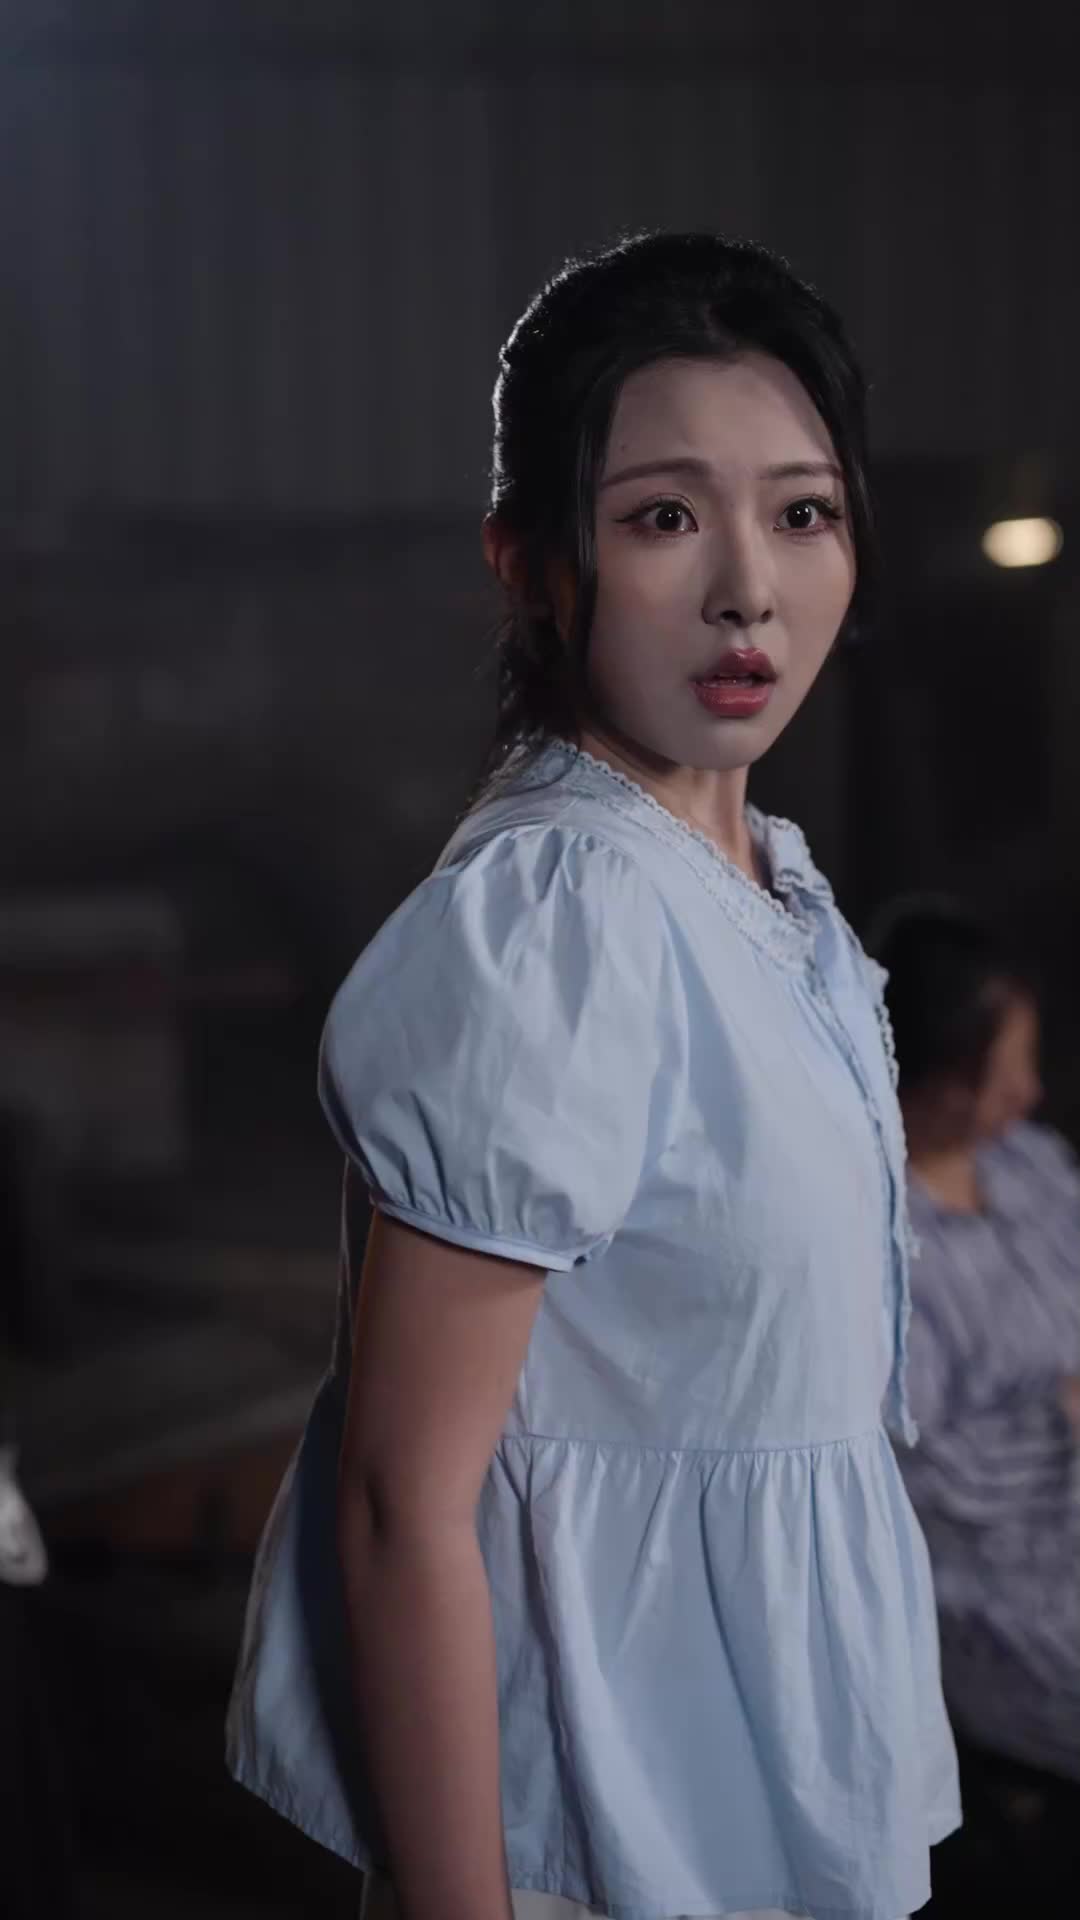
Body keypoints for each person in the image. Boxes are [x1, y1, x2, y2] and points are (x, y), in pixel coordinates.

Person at [226, 232, 960, 1920]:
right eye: (662, 517)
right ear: (534, 563)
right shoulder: (565, 919)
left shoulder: (763, 891)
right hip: (607, 1830)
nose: (746, 590)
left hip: (762, 1784)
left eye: (802, 512)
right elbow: (402, 1506)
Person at [870, 897, 1080, 1784]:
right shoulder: (880, 1236)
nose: (1028, 1092)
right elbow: (918, 1472)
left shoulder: (1027, 1161)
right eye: (1005, 1071)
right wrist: (1058, 1416)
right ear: (938, 1077)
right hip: (1003, 1590)